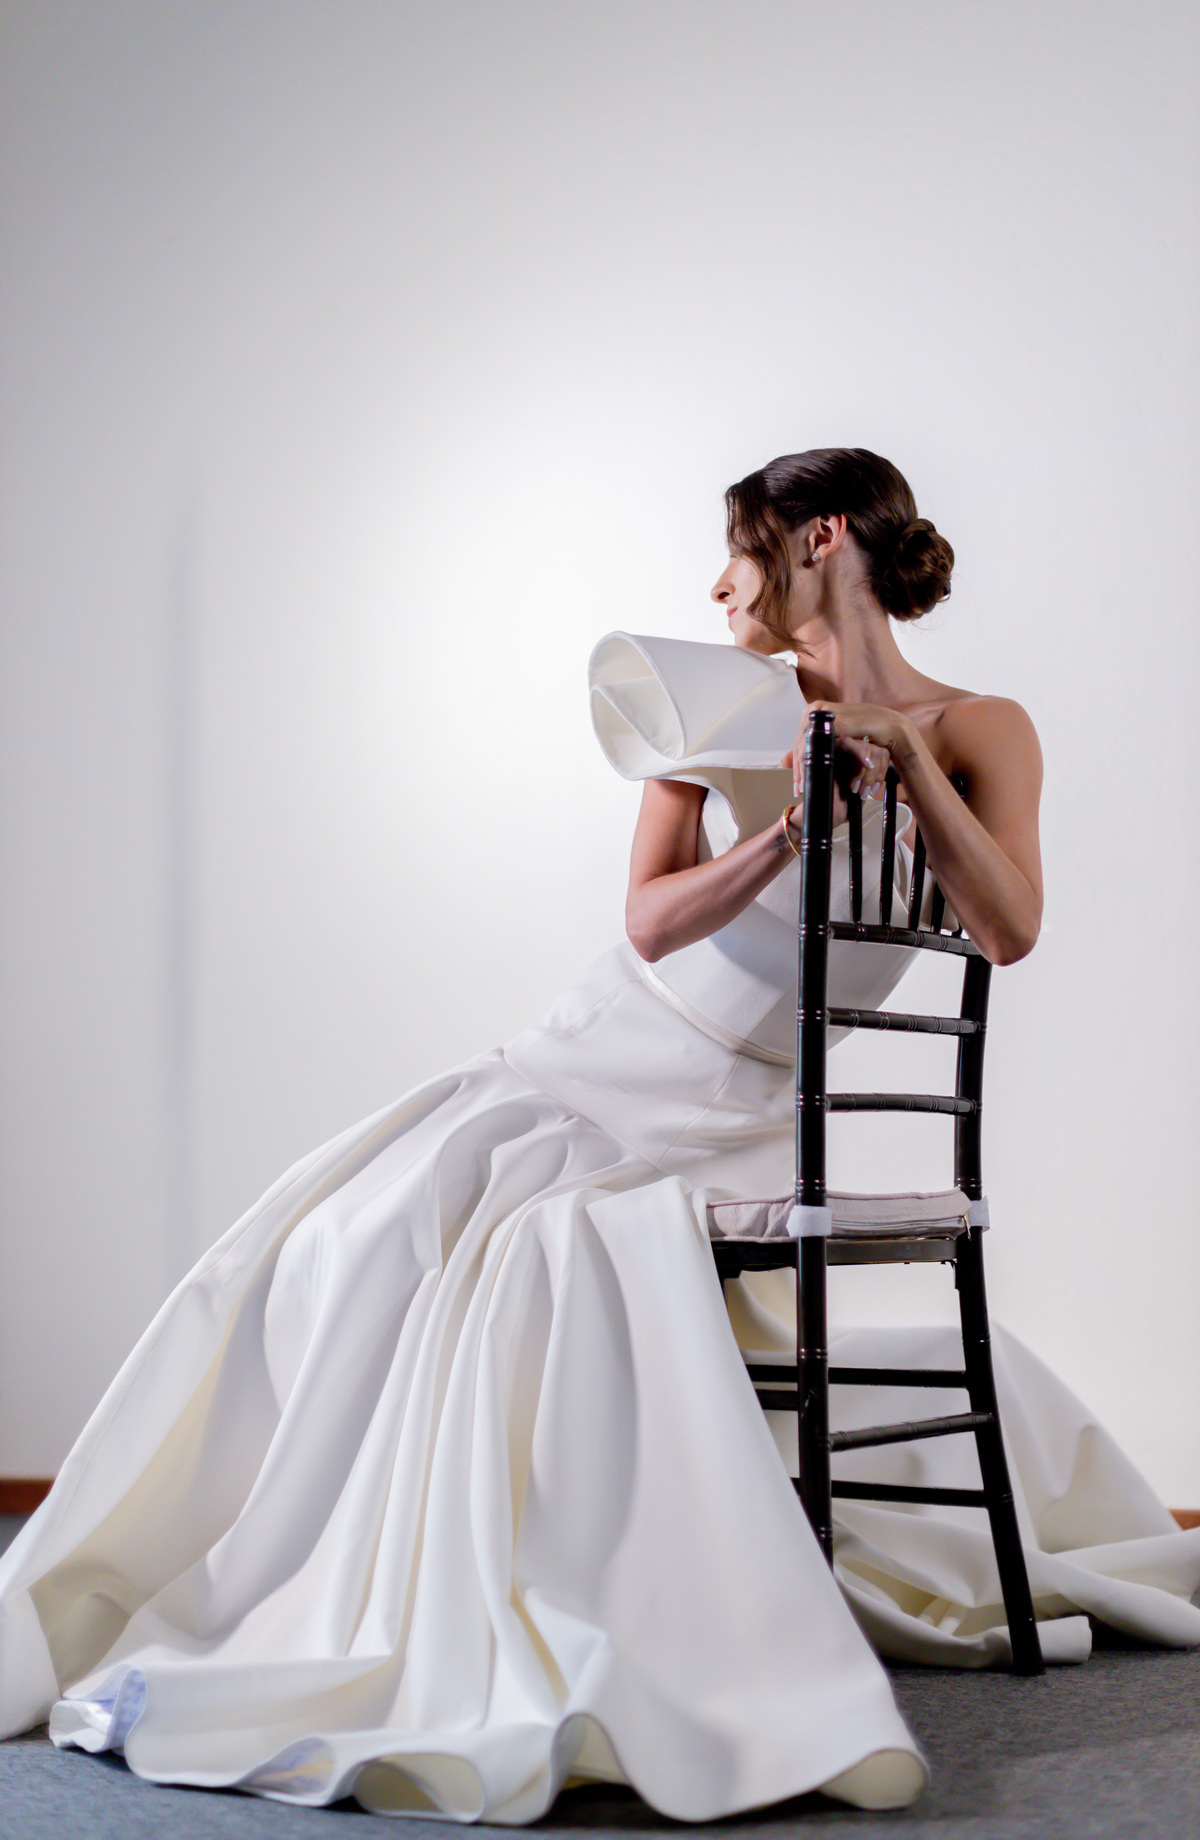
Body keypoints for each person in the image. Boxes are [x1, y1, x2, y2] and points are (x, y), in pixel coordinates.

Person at [1, 450, 1197, 1825]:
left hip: (748, 1116)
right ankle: (281, 1568)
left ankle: (548, 1593)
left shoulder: (984, 727)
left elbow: (1011, 927)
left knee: (537, 1253)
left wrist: (909, 756)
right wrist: (785, 837)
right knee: (357, 1232)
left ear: (818, 539)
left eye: (737, 549)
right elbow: (646, 920)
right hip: (602, 1061)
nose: (719, 584)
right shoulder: (715, 692)